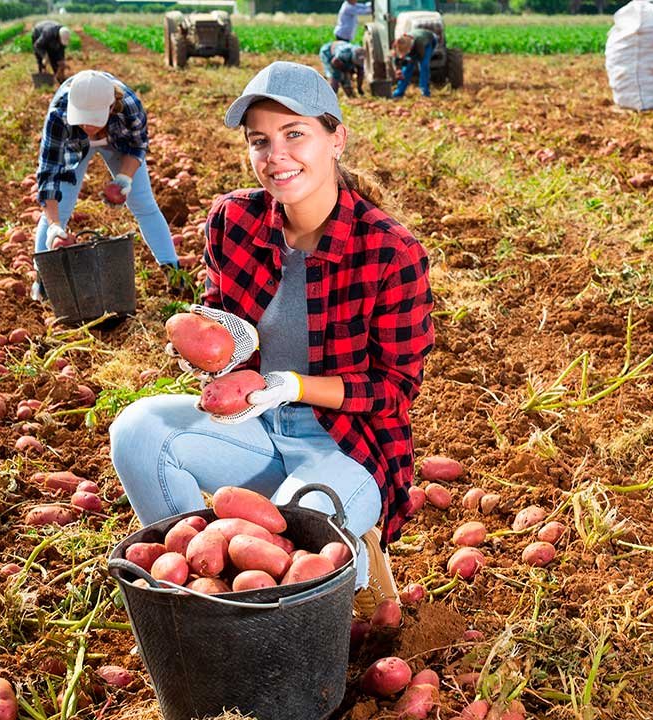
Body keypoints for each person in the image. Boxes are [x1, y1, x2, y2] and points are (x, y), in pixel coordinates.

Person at [109, 61, 434, 615]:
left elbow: (395, 390)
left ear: (336, 140)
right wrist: (209, 352)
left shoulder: (390, 251)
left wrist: (294, 386)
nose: (276, 155)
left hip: (347, 446)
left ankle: (321, 599)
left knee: (286, 548)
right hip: (254, 429)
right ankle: (193, 598)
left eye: (295, 134)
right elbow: (223, 324)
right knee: (138, 431)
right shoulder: (233, 218)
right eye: (260, 140)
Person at [32, 70, 180, 300]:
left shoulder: (129, 107)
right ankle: (44, 282)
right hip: (75, 147)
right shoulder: (59, 114)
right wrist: (54, 226)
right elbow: (49, 173)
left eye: (93, 121)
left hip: (117, 142)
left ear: (111, 109)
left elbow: (137, 145)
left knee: (143, 203)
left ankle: (175, 273)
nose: (87, 126)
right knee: (59, 209)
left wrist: (125, 179)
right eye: (81, 119)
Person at [391, 29, 436, 99]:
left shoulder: (419, 43)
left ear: (409, 49)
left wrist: (410, 61)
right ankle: (399, 92)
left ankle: (425, 91)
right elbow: (397, 60)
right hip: (415, 43)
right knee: (406, 69)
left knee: (424, 65)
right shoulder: (398, 44)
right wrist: (398, 70)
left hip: (429, 41)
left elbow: (420, 57)